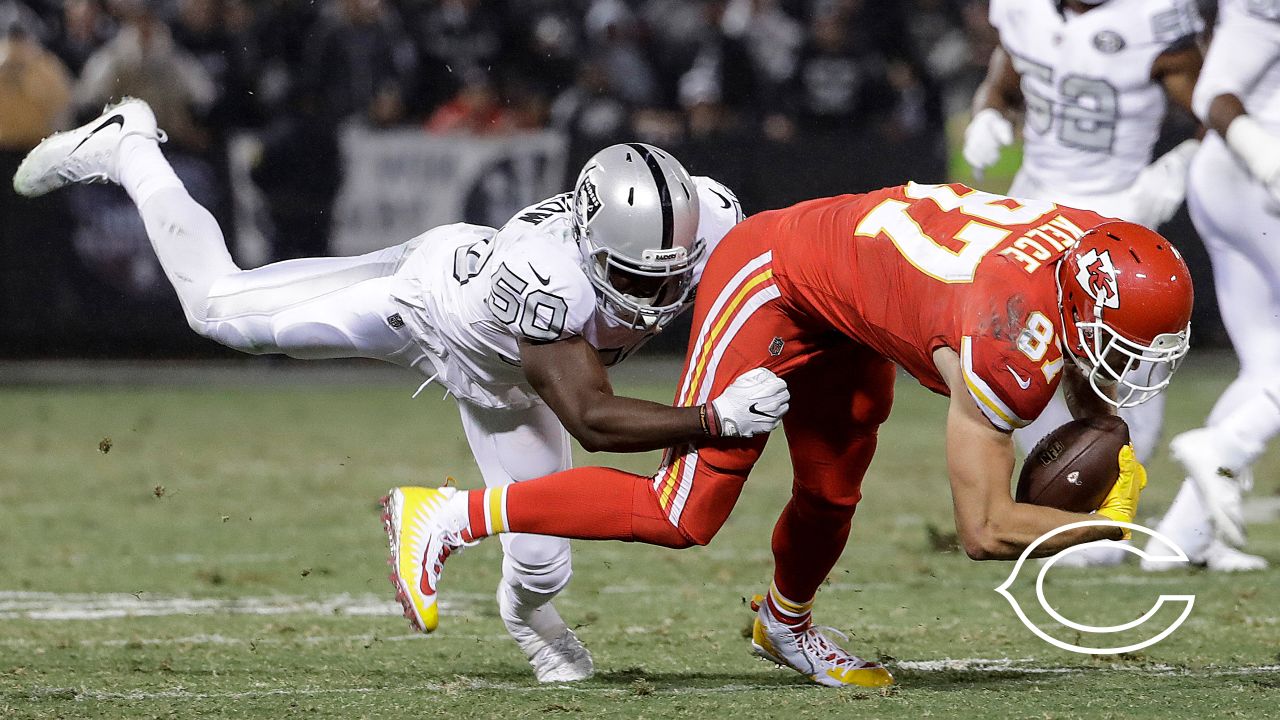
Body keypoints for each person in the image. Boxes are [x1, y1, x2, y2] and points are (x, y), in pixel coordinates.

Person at [11, 98, 782, 683]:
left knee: (544, 564)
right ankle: (130, 146)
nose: (654, 292)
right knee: (219, 309)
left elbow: (768, 282)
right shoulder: (544, 275)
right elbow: (592, 419)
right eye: (631, 275)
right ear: (587, 240)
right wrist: (715, 414)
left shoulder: (709, 217)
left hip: (512, 380)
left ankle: (543, 642)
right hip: (422, 306)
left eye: (668, 272)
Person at [383, 181, 1193, 688]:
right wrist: (1105, 524)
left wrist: (1100, 423)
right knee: (683, 512)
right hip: (777, 273)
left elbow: (1083, 345)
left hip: (857, 297)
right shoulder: (1003, 334)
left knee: (834, 484)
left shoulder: (1085, 239)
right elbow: (982, 531)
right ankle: (447, 516)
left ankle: (786, 624)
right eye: (1129, 349)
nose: (1132, 369)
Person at [963, 0, 1204, 507]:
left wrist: (1182, 163)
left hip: (1117, 217)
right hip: (1035, 214)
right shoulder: (1024, 10)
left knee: (1130, 368)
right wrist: (987, 112)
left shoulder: (1151, 16)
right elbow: (1005, 82)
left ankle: (1118, 493)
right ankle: (1063, 500)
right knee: (1024, 357)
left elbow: (1214, 107)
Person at [1143, 0, 1280, 573]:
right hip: (1258, 174)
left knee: (1267, 363)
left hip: (1232, 179)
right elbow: (1214, 94)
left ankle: (1180, 538)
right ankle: (1227, 446)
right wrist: (1268, 159)